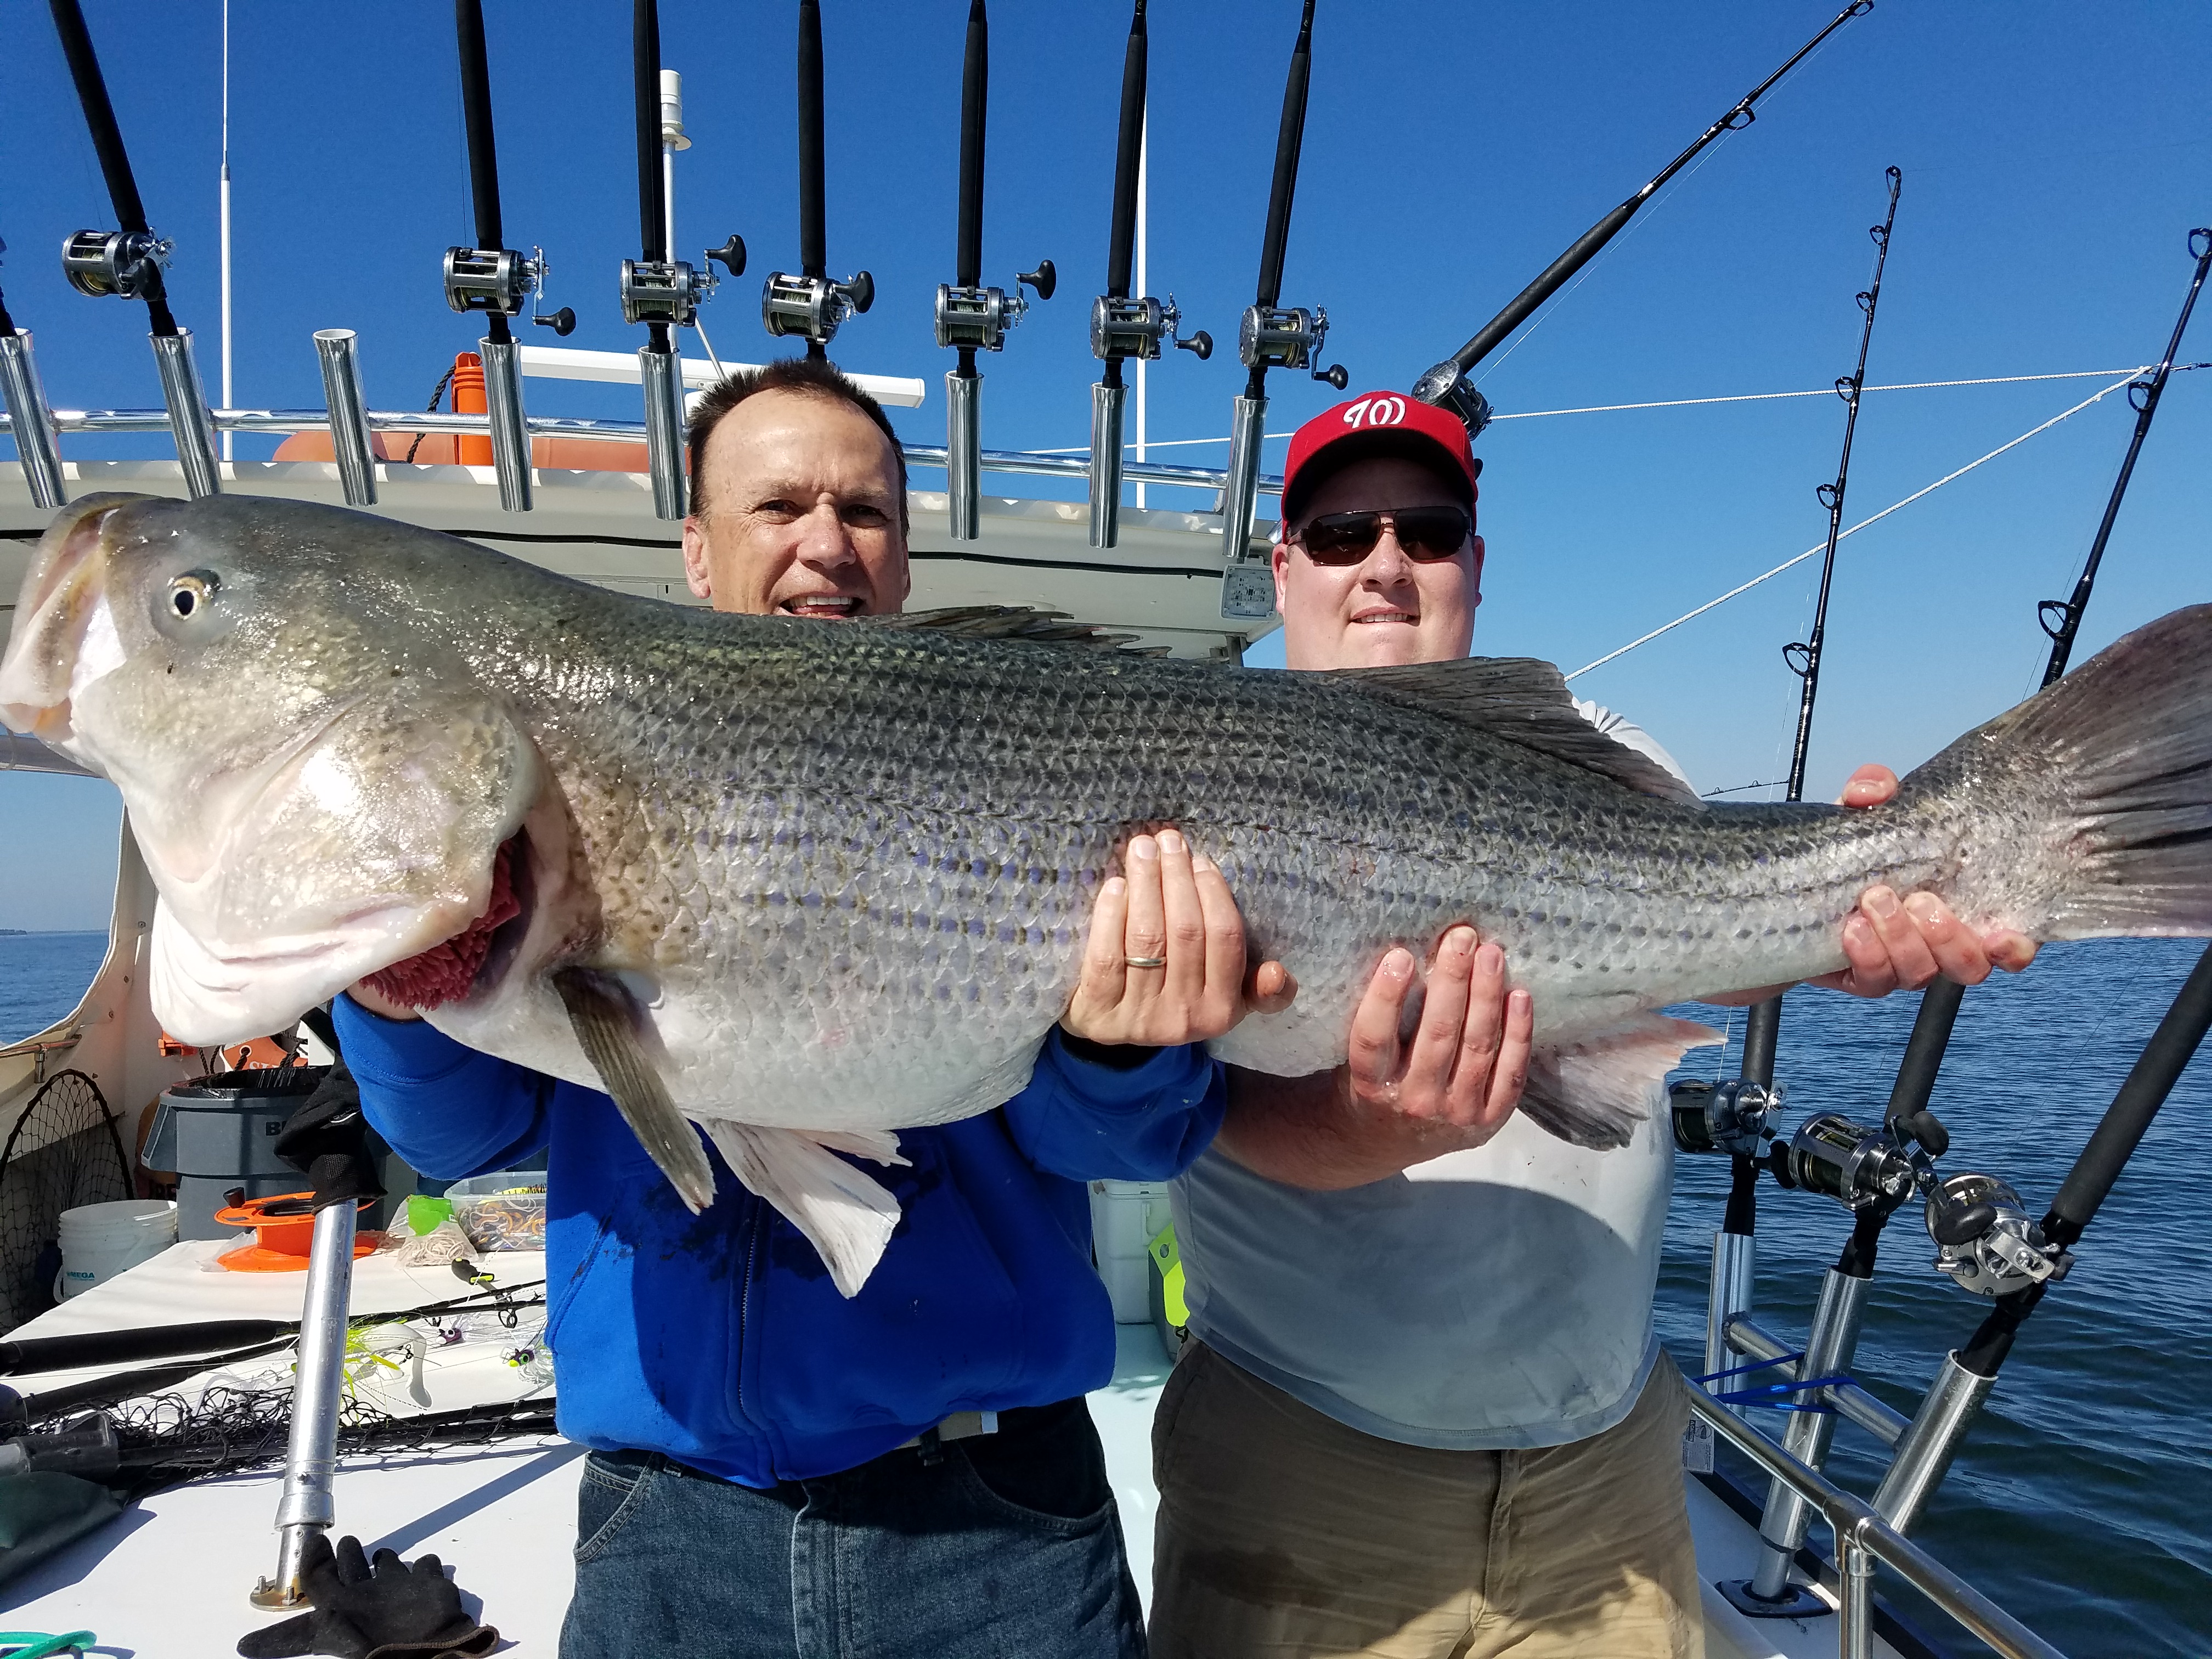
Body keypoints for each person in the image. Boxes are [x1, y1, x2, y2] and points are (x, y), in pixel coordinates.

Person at [337, 358, 1279, 1659]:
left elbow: (1118, 1150)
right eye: (777, 506)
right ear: (697, 550)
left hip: (993, 1528)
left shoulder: (1015, 758)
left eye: (867, 512)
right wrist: (400, 980)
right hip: (667, 1526)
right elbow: (465, 1138)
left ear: (903, 561)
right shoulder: (579, 776)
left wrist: (1123, 1047)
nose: (824, 545)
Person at [1148, 393, 2038, 1659]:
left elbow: (1700, 944)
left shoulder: (1600, 748)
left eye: (1430, 530)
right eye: (1342, 535)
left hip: (1609, 1469)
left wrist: (1850, 925)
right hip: (1303, 1468)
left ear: (1476, 562)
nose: (1387, 566)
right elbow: (1175, 1120)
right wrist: (1371, 1122)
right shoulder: (1173, 770)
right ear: (1282, 564)